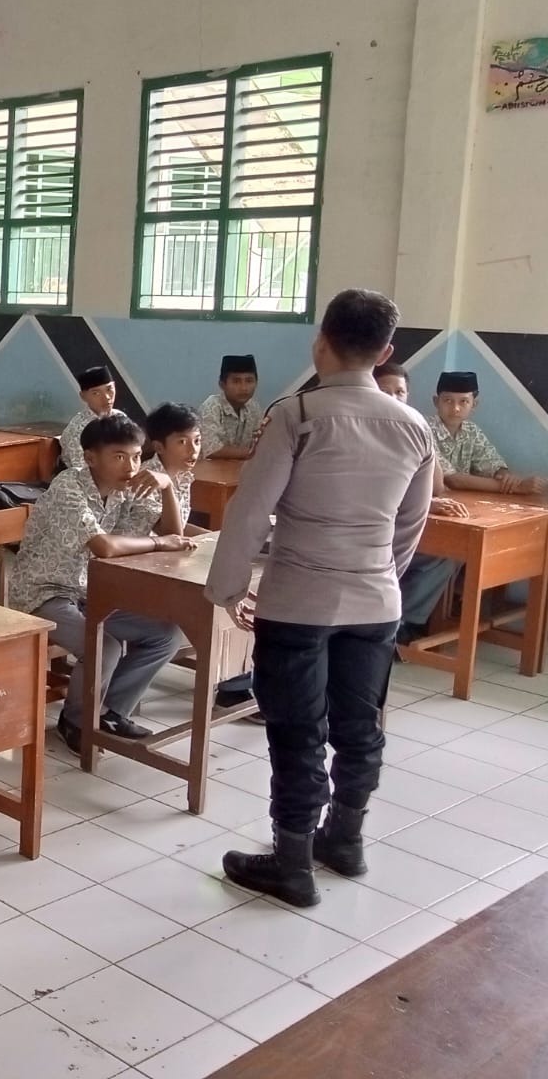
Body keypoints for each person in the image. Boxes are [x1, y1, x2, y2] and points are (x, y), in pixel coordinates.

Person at [206, 289, 435, 908]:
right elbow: (410, 525)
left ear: (321, 343)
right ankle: (346, 840)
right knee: (361, 729)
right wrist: (381, 575)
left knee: (296, 730)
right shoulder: (415, 426)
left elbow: (251, 510)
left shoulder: (297, 414)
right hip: (376, 603)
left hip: (298, 602)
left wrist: (227, 588)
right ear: (385, 353)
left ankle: (292, 861)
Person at [7, 415, 190, 752]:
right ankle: (76, 720)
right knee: (104, 646)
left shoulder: (123, 489)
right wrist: (159, 544)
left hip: (89, 592)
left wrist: (166, 486)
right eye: (119, 456)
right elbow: (104, 546)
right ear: (90, 458)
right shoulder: (68, 486)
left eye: (136, 456)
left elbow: (173, 535)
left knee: (166, 635)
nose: (131, 466)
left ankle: (109, 712)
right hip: (42, 593)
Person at [140, 403, 257, 715]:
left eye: (197, 440)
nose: (193, 450)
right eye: (182, 441)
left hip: (164, 563)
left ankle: (238, 679)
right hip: (139, 571)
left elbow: (180, 528)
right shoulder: (149, 478)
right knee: (221, 597)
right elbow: (171, 532)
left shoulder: (183, 475)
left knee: (239, 590)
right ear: (158, 446)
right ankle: (232, 687)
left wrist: (218, 537)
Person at [373, 363, 471, 643]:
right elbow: (373, 491)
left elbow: (437, 487)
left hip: (400, 529)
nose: (393, 398)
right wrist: (426, 504)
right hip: (370, 531)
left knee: (446, 554)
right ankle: (387, 622)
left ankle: (404, 622)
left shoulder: (413, 428)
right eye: (385, 391)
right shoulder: (363, 429)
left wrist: (424, 437)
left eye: (400, 392)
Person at [427, 371, 546, 495]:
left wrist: (506, 478)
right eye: (448, 400)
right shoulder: (424, 429)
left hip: (461, 500)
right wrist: (517, 487)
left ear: (474, 405)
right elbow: (452, 479)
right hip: (428, 501)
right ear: (436, 402)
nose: (456, 408)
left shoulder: (472, 431)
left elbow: (493, 464)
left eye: (464, 401)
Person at [198, 355, 262, 460]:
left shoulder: (254, 408)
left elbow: (261, 443)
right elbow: (212, 450)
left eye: (249, 381)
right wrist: (253, 453)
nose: (244, 388)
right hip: (207, 469)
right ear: (222, 385)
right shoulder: (212, 406)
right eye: (236, 381)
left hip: (239, 468)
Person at [59, 365, 119, 471]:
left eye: (109, 389)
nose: (106, 397)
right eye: (96, 393)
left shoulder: (120, 417)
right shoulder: (79, 429)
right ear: (83, 396)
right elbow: (82, 472)